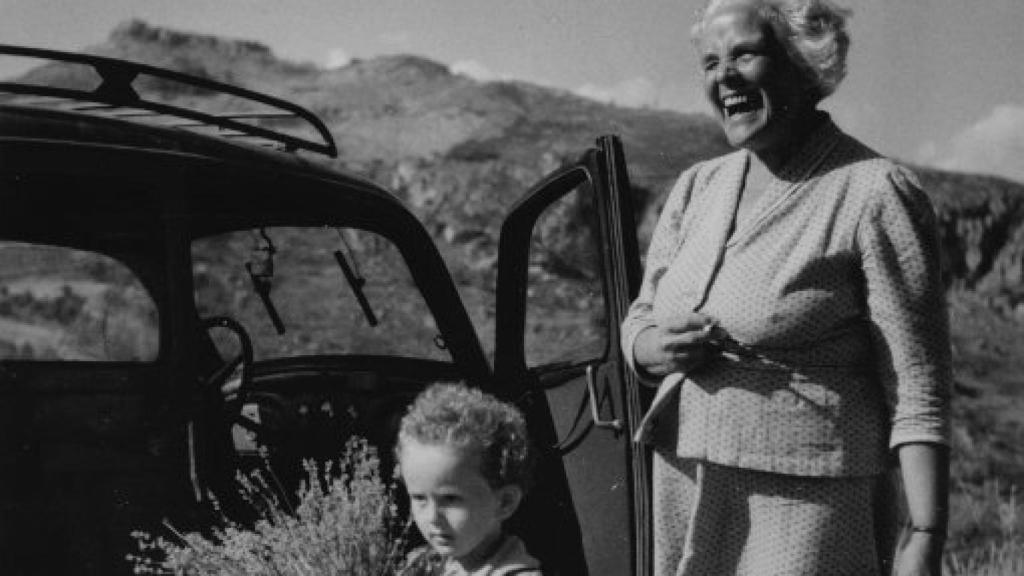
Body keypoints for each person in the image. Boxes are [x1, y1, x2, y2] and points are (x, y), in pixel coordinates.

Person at [621, 1, 952, 575]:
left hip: (809, 507)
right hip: (683, 483)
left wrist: (924, 532)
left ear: (804, 62)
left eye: (744, 54)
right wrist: (649, 347)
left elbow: (917, 384)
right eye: (709, 62)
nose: (722, 77)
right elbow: (642, 313)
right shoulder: (697, 186)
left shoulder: (874, 193)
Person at [395, 383, 543, 576]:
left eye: (450, 499)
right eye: (419, 498)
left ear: (505, 502)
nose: (432, 517)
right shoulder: (427, 565)